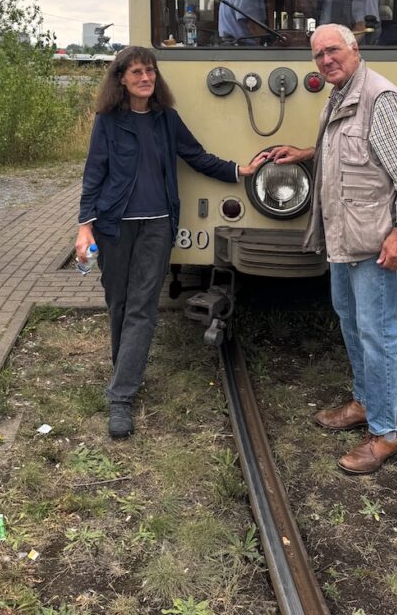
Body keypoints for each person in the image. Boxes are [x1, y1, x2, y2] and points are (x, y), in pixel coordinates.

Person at [266, 24, 397, 474]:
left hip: (374, 242)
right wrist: (304, 154)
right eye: (318, 54)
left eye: (333, 50)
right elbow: (347, 153)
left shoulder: (380, 98)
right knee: (351, 323)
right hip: (344, 239)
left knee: (376, 334)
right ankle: (364, 402)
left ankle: (384, 433)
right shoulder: (340, 97)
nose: (325, 60)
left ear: (354, 50)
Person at [75, 46, 267, 439]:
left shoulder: (166, 120)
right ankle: (124, 369)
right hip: (115, 226)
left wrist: (238, 170)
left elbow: (196, 156)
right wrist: (84, 226)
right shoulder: (108, 121)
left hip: (158, 226)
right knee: (119, 304)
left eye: (150, 72)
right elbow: (94, 172)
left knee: (142, 308)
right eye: (136, 73)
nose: (145, 78)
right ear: (121, 80)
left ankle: (121, 396)